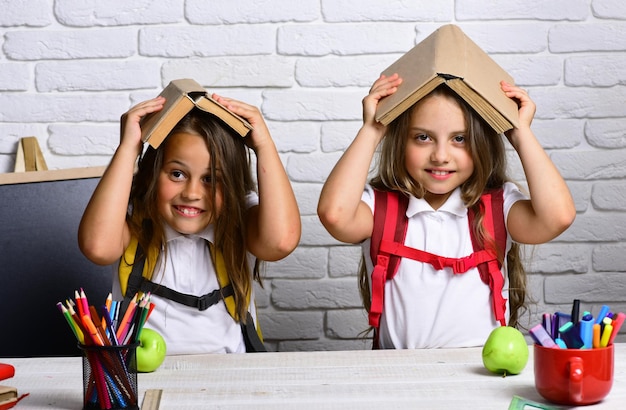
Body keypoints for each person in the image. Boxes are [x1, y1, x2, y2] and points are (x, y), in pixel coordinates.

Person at [317, 73, 576, 349]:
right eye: (423, 137)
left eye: (460, 139)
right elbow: (335, 215)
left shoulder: (497, 207)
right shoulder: (379, 207)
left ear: (481, 143)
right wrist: (372, 129)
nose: (440, 155)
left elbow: (557, 217)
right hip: (399, 376)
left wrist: (520, 132)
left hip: (482, 376)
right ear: (400, 141)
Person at [78, 93, 301, 354]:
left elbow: (281, 241)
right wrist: (128, 149)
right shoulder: (132, 219)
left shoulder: (238, 218)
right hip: (140, 376)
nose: (192, 193)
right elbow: (97, 247)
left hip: (229, 375)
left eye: (211, 179)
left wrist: (264, 146)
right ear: (152, 174)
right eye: (177, 174)